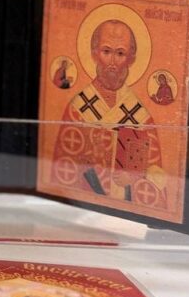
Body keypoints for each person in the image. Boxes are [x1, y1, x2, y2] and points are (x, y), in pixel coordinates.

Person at [52, 20, 163, 204]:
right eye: (106, 51)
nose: (112, 62)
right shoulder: (78, 108)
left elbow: (157, 177)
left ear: (131, 58)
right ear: (94, 53)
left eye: (120, 53)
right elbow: (63, 168)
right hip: (83, 208)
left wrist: (134, 177)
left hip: (127, 214)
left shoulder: (141, 116)